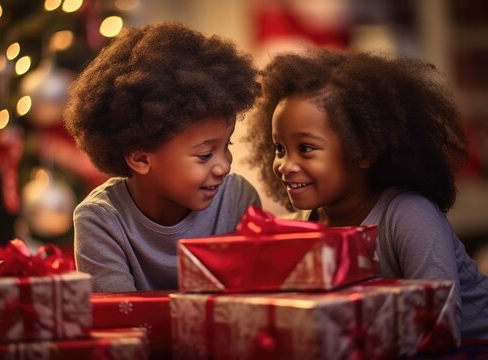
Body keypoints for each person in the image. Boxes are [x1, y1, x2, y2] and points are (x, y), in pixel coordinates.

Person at [245, 49, 488, 339]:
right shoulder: (301, 226)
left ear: (364, 150)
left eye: (306, 149)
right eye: (280, 149)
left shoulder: (409, 215)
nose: (285, 165)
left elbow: (439, 321)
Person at [63, 22, 261, 292]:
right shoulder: (100, 219)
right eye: (205, 155)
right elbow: (120, 316)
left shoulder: (238, 200)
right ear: (141, 159)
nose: (224, 165)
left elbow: (250, 303)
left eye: (227, 144)